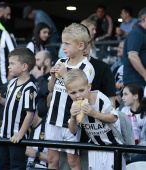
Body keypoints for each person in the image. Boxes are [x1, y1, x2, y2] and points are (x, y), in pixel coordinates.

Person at [45, 23, 95, 170]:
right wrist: (53, 77)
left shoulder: (87, 67)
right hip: (53, 117)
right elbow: (50, 89)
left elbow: (81, 93)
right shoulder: (60, 62)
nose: (63, 47)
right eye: (63, 43)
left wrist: (65, 74)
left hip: (71, 119)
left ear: (80, 46)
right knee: (52, 159)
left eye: (67, 44)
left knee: (73, 161)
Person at [64, 69, 126, 170]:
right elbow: (73, 130)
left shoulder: (101, 99)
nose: (78, 95)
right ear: (67, 92)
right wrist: (73, 118)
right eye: (73, 93)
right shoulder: (74, 105)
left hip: (113, 146)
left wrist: (94, 113)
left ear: (89, 86)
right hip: (95, 147)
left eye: (81, 90)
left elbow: (114, 117)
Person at [0, 48, 37, 170]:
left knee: (16, 166)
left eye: (12, 63)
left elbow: (29, 114)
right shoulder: (11, 83)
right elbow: (12, 104)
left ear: (24, 66)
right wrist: (0, 100)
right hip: (4, 135)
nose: (8, 66)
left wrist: (20, 134)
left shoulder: (29, 88)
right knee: (2, 164)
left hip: (17, 138)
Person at [121, 84, 146, 162]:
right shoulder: (123, 110)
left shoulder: (144, 114)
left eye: (125, 94)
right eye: (122, 95)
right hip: (126, 148)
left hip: (141, 150)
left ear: (135, 96)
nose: (122, 98)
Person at [123, 7, 146, 87]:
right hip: (136, 82)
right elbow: (132, 56)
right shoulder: (136, 33)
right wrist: (145, 75)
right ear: (144, 19)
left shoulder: (142, 33)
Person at [31, 50, 52, 118]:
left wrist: (39, 77)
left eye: (38, 60)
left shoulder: (53, 76)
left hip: (47, 117)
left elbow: (47, 91)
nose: (35, 63)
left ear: (47, 61)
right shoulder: (34, 76)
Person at [111, 40, 124, 107]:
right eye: (118, 47)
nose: (118, 49)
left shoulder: (132, 66)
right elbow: (110, 83)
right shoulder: (115, 66)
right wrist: (115, 95)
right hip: (115, 98)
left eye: (121, 48)